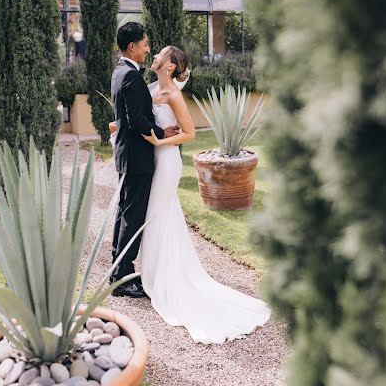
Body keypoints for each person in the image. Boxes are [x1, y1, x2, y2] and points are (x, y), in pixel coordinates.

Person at [140, 45, 271, 343]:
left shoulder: (173, 94)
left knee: (159, 214)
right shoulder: (152, 89)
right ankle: (154, 272)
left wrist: (158, 142)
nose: (155, 57)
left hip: (167, 161)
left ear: (171, 66)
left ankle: (164, 278)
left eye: (160, 55)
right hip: (156, 159)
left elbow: (190, 133)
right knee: (160, 215)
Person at [110, 23, 179, 298]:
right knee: (133, 216)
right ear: (132, 47)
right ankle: (124, 277)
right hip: (137, 158)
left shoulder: (119, 72)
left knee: (124, 213)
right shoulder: (132, 77)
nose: (148, 48)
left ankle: (118, 270)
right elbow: (137, 120)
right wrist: (162, 134)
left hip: (126, 155)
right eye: (145, 44)